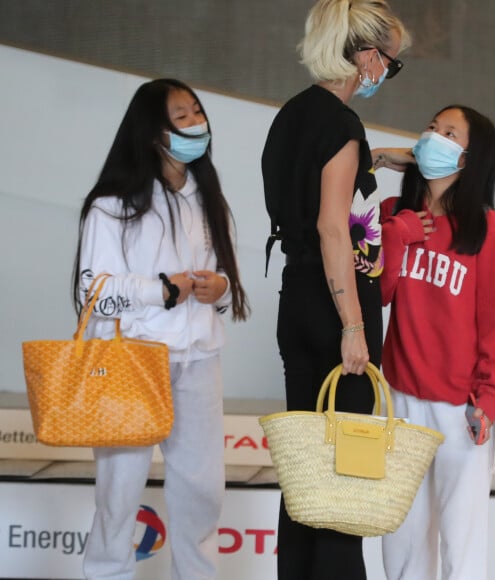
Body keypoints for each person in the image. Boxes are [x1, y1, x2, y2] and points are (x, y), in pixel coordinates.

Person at [72, 78, 249, 580]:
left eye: (198, 112)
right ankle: (107, 573)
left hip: (199, 361)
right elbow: (95, 290)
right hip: (132, 360)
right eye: (182, 115)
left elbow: (223, 284)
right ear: (153, 132)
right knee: (119, 492)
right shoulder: (113, 204)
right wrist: (161, 290)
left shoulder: (208, 198)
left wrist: (220, 289)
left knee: (202, 491)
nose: (198, 124)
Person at [261, 1, 410, 578]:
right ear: (367, 56)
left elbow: (311, 187)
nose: (383, 75)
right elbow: (331, 226)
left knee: (306, 470)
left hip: (296, 298)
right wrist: (353, 327)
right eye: (389, 64)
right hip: (335, 308)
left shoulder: (294, 114)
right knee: (347, 471)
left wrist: (378, 157)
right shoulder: (343, 123)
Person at [373, 105, 495, 580]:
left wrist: (491, 397)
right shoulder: (394, 215)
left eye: (449, 133)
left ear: (467, 159)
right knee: (401, 547)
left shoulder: (485, 229)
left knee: (461, 550)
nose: (434, 135)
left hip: (463, 408)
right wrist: (399, 233)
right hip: (401, 402)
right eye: (432, 128)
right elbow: (378, 293)